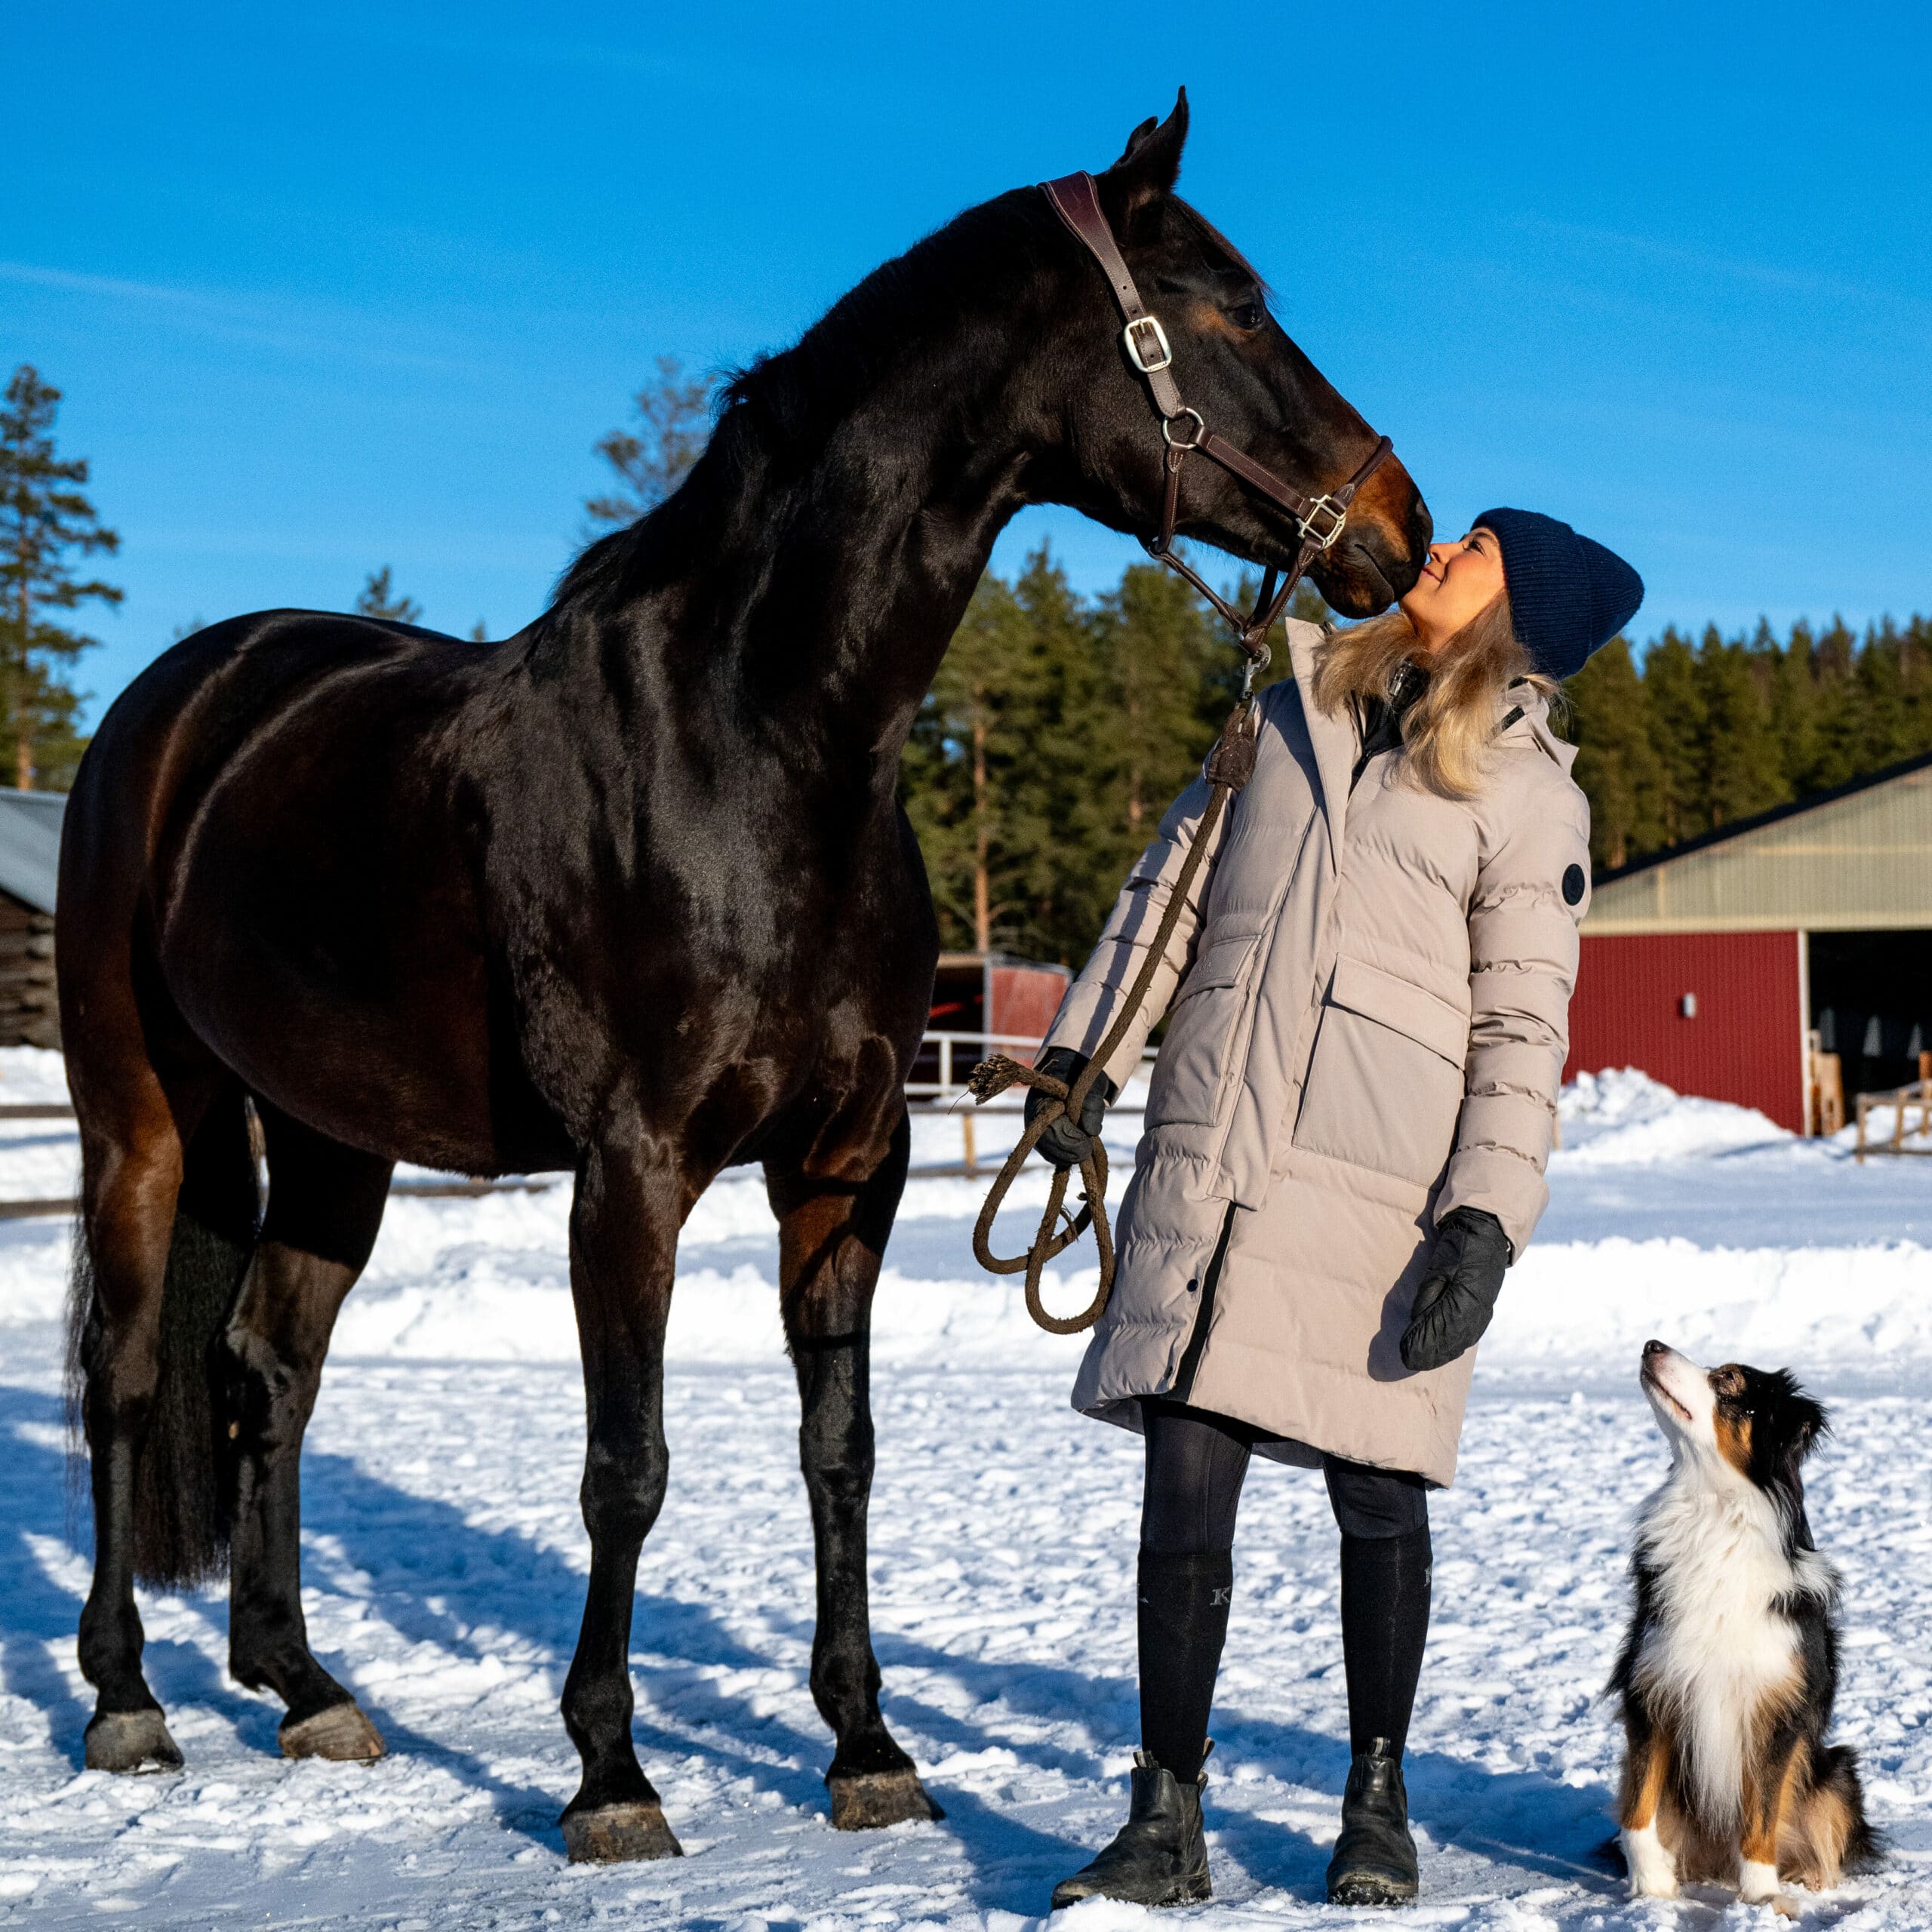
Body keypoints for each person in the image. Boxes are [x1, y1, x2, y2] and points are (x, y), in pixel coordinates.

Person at [1035, 509, 1643, 1910]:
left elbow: (1521, 1032)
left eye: (1474, 552)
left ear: (1521, 613)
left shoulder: (1532, 796)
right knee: (1184, 1469)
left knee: (1378, 1491)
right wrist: (1083, 1057)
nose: (1438, 555)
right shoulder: (1290, 709)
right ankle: (1164, 1814)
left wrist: (1486, 1218)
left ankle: (1376, 1798)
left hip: (1383, 1184)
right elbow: (1168, 896)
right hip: (1218, 1148)